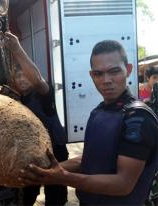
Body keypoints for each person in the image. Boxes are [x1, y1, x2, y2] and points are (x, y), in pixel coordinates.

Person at [18, 40, 158, 205]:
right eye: (99, 73)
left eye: (114, 71)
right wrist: (42, 171)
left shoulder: (138, 117)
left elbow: (123, 184)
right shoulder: (99, 112)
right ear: (92, 75)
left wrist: (63, 178)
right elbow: (89, 159)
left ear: (128, 70)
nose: (106, 80)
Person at [4, 31, 69, 206]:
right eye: (18, 76)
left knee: (55, 198)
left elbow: (39, 80)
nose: (22, 78)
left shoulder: (43, 95)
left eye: (25, 74)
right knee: (26, 196)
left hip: (55, 152)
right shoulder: (18, 101)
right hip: (31, 154)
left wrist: (17, 50)